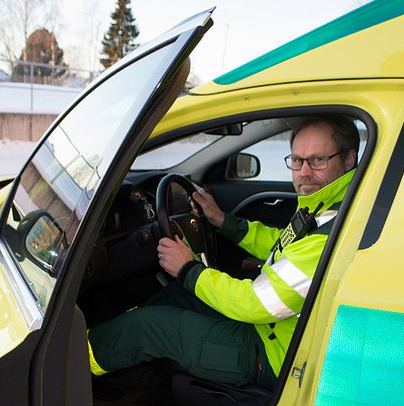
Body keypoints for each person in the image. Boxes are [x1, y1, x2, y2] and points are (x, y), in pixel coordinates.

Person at [87, 116, 359, 390]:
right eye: (297, 160)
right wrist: (222, 221)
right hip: (273, 329)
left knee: (146, 326)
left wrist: (188, 270)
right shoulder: (329, 208)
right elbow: (281, 243)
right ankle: (117, 349)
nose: (304, 172)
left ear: (349, 160)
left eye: (318, 160)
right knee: (178, 295)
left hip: (273, 356)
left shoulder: (332, 229)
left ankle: (74, 365)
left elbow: (255, 303)